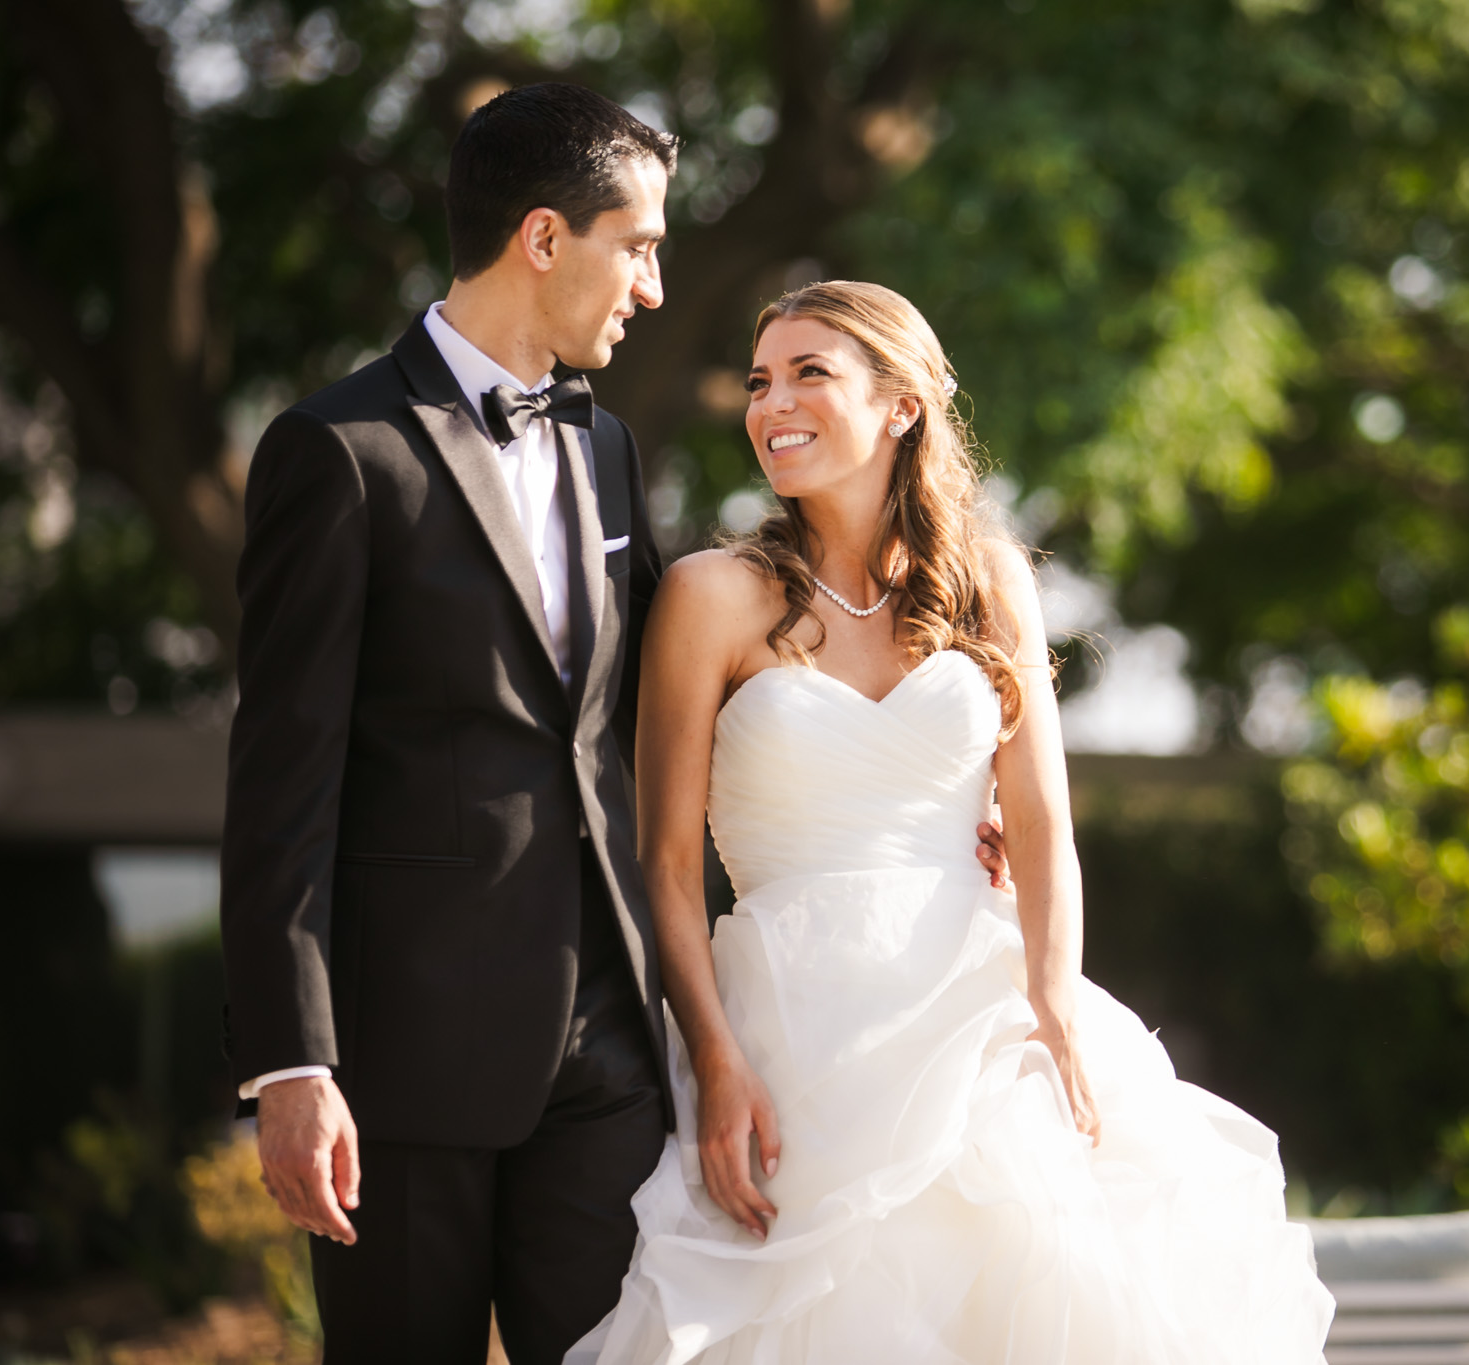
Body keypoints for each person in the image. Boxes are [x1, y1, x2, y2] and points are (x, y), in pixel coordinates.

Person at [218, 86, 1009, 1361]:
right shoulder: (340, 452)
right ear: (544, 238)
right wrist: (292, 1064)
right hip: (405, 1058)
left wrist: (936, 794)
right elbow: (278, 790)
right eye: (636, 245)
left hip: (611, 1060)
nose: (650, 284)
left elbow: (692, 700)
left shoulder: (608, 453)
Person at [571, 280, 1335, 1363]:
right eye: (757, 380)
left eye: (808, 374)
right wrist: (716, 1054)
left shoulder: (987, 580)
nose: (769, 403)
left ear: (900, 405)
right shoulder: (711, 595)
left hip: (976, 1007)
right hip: (788, 1021)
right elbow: (660, 857)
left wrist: (1054, 1003)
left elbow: (1039, 825)